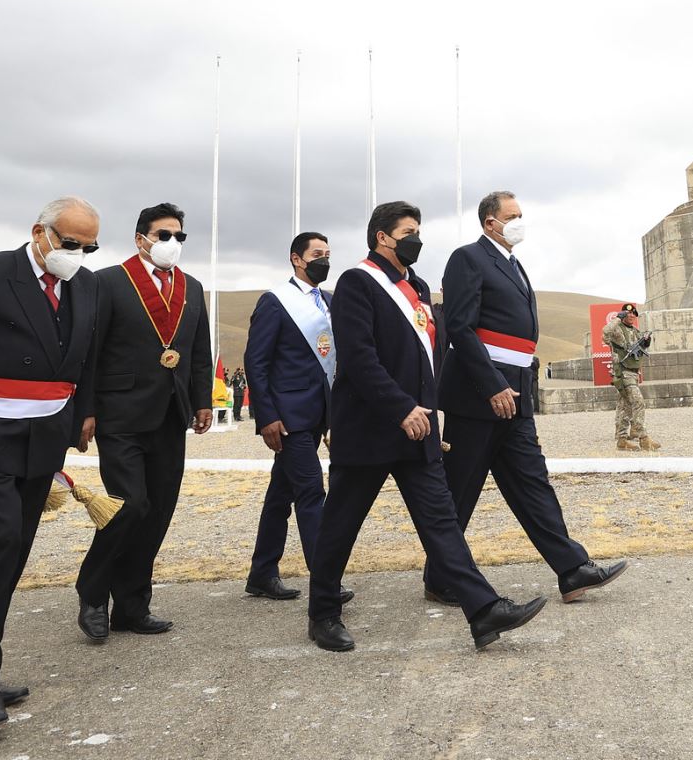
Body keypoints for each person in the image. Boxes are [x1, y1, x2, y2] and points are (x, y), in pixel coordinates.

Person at [306, 201, 547, 653]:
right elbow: (359, 359)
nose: (416, 239)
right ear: (383, 236)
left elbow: (427, 361)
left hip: (418, 429)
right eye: (409, 231)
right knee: (341, 523)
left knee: (441, 523)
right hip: (370, 427)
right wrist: (401, 408)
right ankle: (322, 612)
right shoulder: (358, 283)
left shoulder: (415, 286)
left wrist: (431, 412)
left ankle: (483, 610)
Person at [0, 199, 103, 729]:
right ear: (40, 233)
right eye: (69, 243)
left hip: (42, 441)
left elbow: (84, 360)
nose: (77, 255)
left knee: (11, 554)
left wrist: (82, 416)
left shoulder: (86, 287)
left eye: (88, 247)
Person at [431, 192, 626, 607]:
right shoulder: (467, 258)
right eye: (511, 216)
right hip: (479, 395)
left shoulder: (514, 265)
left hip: (516, 392)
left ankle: (572, 571)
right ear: (489, 222)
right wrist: (492, 386)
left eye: (521, 215)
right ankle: (441, 576)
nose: (519, 222)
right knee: (460, 488)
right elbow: (461, 329)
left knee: (531, 482)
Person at [76, 202, 213, 641]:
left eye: (179, 236)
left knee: (157, 513)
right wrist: (87, 409)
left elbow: (196, 349)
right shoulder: (109, 282)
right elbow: (90, 351)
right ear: (141, 239)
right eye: (164, 235)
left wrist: (202, 399)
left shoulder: (191, 287)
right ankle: (93, 593)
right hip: (121, 414)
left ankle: (133, 606)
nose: (172, 243)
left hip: (171, 414)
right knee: (129, 505)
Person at [243, 231, 349, 603]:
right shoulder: (276, 302)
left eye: (328, 253)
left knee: (280, 495)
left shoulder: (331, 302)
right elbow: (256, 362)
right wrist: (266, 416)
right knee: (310, 492)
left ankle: (261, 573)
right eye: (317, 254)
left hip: (320, 413)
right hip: (287, 418)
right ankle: (326, 581)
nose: (324, 259)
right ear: (297, 259)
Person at [601, 304, 658, 451]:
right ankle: (643, 438)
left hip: (633, 372)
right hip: (622, 372)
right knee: (638, 402)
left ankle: (622, 440)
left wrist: (646, 341)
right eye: (628, 313)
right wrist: (617, 319)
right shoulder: (617, 329)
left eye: (634, 313)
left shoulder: (635, 331)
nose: (631, 316)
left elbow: (642, 347)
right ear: (623, 315)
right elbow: (605, 333)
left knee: (625, 406)